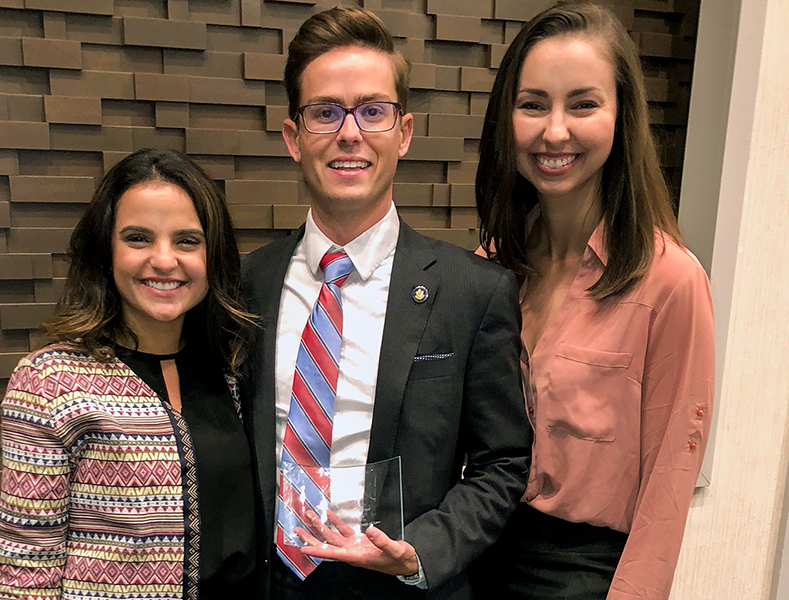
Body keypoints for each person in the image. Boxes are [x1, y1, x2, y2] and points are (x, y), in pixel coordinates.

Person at [240, 7, 533, 600]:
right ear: (294, 139)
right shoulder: (246, 285)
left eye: (372, 111)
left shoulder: (473, 291)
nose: (350, 132)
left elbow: (503, 462)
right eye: (326, 112)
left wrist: (423, 550)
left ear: (403, 132)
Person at [473, 2, 715, 599]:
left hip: (582, 578)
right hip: (476, 560)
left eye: (583, 104)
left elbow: (668, 484)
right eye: (533, 104)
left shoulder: (672, 283)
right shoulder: (488, 268)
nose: (555, 131)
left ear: (621, 115)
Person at [0, 148, 259, 600]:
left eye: (187, 240)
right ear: (106, 251)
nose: (163, 259)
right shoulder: (50, 381)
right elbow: (27, 571)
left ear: (213, 256)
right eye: (138, 238)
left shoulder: (233, 371)